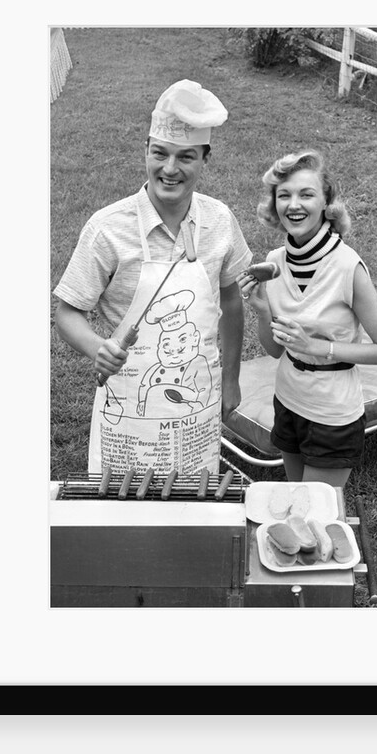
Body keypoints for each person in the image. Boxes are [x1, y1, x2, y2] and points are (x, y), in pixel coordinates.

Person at [53, 79, 253, 477]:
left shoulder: (219, 221)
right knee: (125, 508)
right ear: (145, 150)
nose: (170, 169)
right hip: (128, 402)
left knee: (194, 502)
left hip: (198, 395)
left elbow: (231, 300)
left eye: (186, 157)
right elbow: (67, 312)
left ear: (205, 159)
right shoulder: (107, 228)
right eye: (160, 153)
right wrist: (98, 347)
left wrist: (230, 379)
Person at [236, 149, 377, 488]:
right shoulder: (274, 261)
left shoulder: (347, 267)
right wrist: (263, 310)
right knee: (299, 498)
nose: (294, 204)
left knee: (320, 512)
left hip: (332, 412)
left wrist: (317, 346)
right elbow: (276, 351)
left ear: (327, 202)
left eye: (306, 194)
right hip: (288, 400)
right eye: (285, 195)